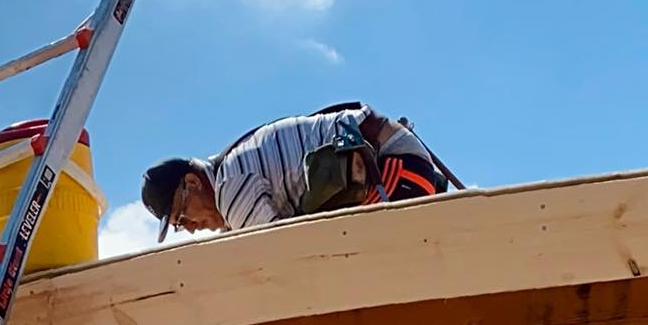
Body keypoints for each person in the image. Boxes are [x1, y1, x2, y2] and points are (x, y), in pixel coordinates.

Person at [140, 103, 460, 236]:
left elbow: (282, 257)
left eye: (182, 213)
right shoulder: (234, 171)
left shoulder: (230, 188)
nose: (190, 227)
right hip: (402, 163)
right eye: (179, 225)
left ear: (193, 182)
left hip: (394, 171)